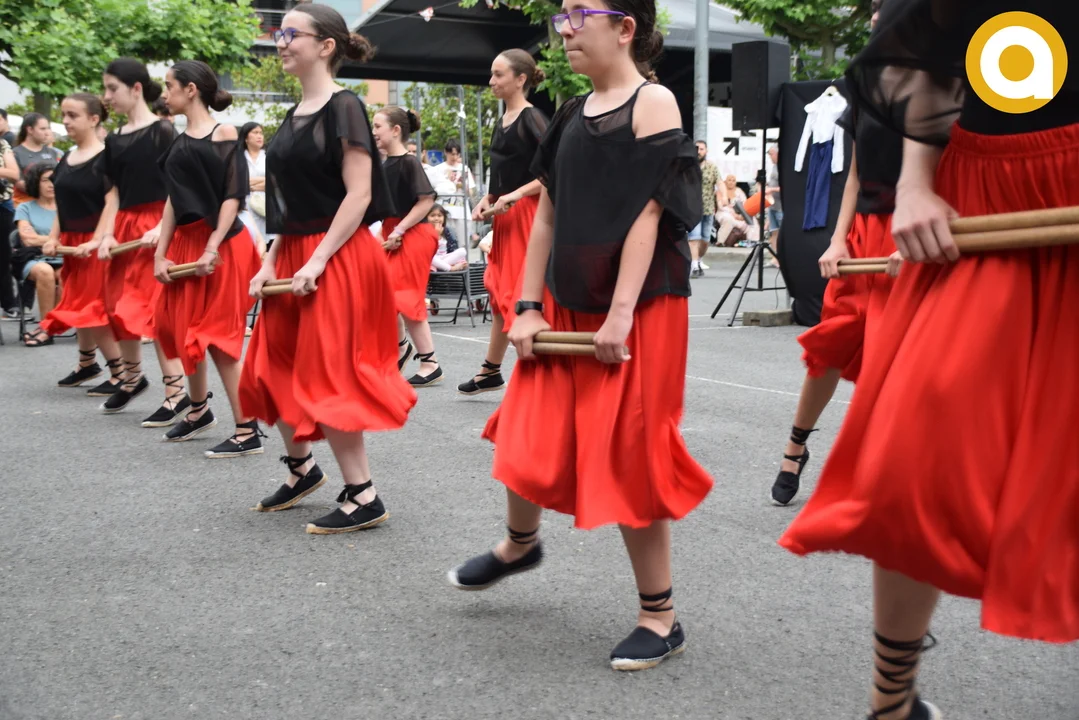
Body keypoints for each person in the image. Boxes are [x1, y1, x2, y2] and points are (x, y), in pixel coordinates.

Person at [779, 1, 1079, 718]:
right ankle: (892, 698)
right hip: (975, 196)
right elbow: (927, 52)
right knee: (912, 454)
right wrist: (916, 184)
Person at [448, 0, 713, 671]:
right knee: (525, 428)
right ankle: (520, 544)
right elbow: (546, 215)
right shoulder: (569, 113)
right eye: (562, 15)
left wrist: (620, 314)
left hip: (639, 306)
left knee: (631, 451)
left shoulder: (653, 102)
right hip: (565, 302)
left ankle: (660, 616)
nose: (564, 28)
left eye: (579, 13)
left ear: (624, 28)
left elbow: (648, 215)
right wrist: (526, 306)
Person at [240, 3, 416, 533]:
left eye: (291, 33)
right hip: (296, 253)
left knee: (329, 373)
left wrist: (317, 259)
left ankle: (364, 495)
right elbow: (286, 207)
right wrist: (270, 260)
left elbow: (359, 194)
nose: (281, 42)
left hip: (336, 256)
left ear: (326, 45)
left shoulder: (345, 107)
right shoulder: (293, 114)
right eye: (280, 32)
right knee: (270, 366)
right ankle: (302, 470)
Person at [769, 0, 902, 507]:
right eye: (874, 16)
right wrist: (838, 237)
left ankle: (880, 465)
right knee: (828, 345)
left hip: (908, 231)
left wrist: (911, 237)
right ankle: (796, 444)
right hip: (864, 232)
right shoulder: (863, 85)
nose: (878, 23)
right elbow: (855, 174)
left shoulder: (941, 81)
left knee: (895, 354)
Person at [152, 60, 264, 459]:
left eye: (169, 85)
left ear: (191, 89)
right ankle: (199, 410)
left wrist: (212, 246)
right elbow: (173, 201)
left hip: (222, 244)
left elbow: (233, 195)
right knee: (178, 327)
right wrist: (161, 254)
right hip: (187, 243)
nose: (165, 93)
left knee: (216, 337)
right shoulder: (178, 139)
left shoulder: (224, 132)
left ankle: (247, 429)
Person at [97, 58, 192, 426]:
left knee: (152, 309)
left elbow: (177, 186)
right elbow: (113, 193)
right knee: (114, 305)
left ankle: (176, 392)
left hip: (158, 223)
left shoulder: (162, 131)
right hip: (124, 225)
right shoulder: (113, 138)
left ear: (136, 88)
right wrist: (107, 233)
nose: (107, 96)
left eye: (112, 89)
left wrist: (161, 228)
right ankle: (133, 377)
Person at [458, 49, 549, 396]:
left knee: (517, 294)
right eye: (492, 74)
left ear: (521, 79)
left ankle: (538, 378)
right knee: (499, 292)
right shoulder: (504, 119)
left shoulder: (532, 118)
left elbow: (554, 170)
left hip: (528, 217)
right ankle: (491, 370)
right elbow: (503, 174)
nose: (492, 81)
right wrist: (490, 197)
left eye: (499, 75)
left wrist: (516, 195)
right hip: (507, 217)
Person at [38, 94, 125, 392]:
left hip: (95, 245)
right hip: (72, 243)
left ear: (93, 119)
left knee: (91, 309)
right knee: (78, 304)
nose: (65, 121)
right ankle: (87, 363)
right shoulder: (67, 157)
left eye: (72, 115)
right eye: (64, 114)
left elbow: (112, 202)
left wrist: (97, 240)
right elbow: (62, 205)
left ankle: (122, 373)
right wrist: (53, 237)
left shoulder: (105, 158)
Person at [372, 105, 443, 388]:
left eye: (377, 126)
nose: (374, 131)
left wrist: (399, 229)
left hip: (414, 234)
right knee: (385, 295)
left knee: (405, 297)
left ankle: (430, 363)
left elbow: (426, 200)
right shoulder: (384, 165)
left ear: (395, 130)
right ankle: (403, 348)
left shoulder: (409, 162)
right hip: (395, 233)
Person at [12, 162, 63, 345]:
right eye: (45, 180)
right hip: (34, 258)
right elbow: (28, 239)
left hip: (64, 258)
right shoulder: (25, 208)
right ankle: (46, 327)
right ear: (35, 182)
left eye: (54, 180)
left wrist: (46, 239)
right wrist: (57, 239)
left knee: (68, 273)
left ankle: (52, 324)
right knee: (44, 271)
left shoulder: (67, 207)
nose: (51, 184)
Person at [428, 139, 474, 242]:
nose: (454, 157)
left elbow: (471, 192)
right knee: (444, 241)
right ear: (446, 152)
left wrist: (463, 186)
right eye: (452, 154)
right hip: (444, 210)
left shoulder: (464, 169)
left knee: (462, 242)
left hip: (462, 211)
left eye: (457, 154)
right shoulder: (437, 169)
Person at [12, 113, 63, 206]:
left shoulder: (52, 152)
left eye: (48, 128)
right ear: (30, 130)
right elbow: (18, 182)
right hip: (25, 205)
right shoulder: (15, 153)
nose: (47, 133)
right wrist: (43, 190)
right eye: (42, 129)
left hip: (51, 206)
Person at [237, 122, 270, 250]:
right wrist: (263, 180)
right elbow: (237, 181)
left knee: (268, 245)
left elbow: (274, 182)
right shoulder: (238, 158)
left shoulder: (268, 156)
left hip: (266, 207)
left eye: (261, 133)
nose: (259, 136)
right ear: (246, 137)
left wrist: (249, 185)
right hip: (246, 207)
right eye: (255, 133)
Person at [689, 139, 719, 277]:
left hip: (708, 208)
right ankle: (694, 265)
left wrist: (724, 197)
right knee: (694, 237)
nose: (699, 151)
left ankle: (699, 260)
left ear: (706, 151)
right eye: (697, 148)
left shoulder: (712, 167)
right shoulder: (687, 166)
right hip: (693, 208)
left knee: (705, 240)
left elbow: (720, 183)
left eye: (702, 149)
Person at [0, 135, 20, 319]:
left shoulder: (2, 143)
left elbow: (14, 173)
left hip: (2, 204)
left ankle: (8, 303)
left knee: (4, 256)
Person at [428, 203, 467, 271]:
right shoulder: (425, 230)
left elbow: (452, 249)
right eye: (432, 216)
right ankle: (450, 268)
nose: (436, 218)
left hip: (444, 258)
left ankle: (440, 267)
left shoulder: (446, 230)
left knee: (462, 251)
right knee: (431, 257)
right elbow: (428, 251)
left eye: (439, 216)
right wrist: (436, 235)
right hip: (432, 259)